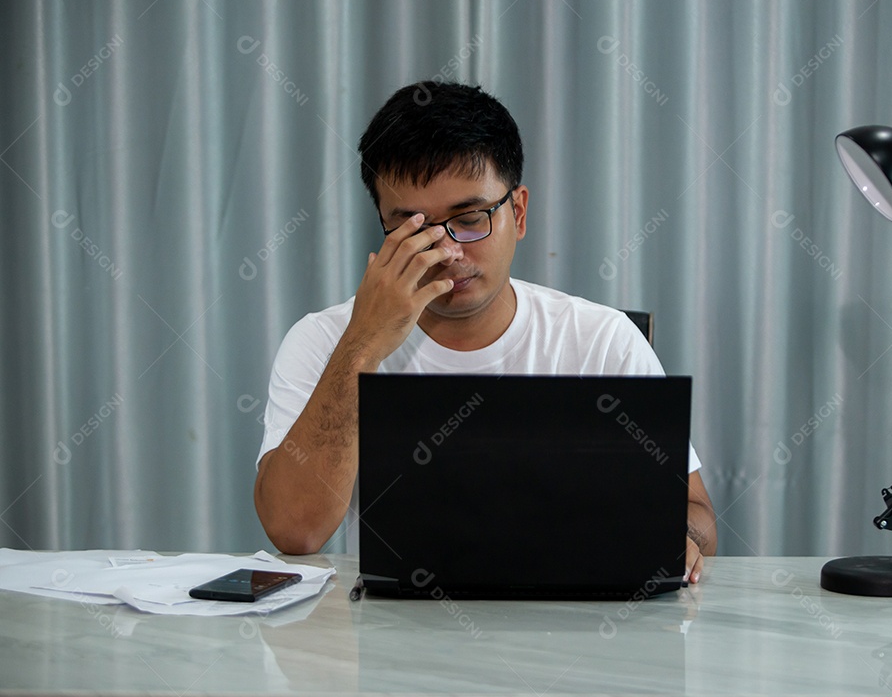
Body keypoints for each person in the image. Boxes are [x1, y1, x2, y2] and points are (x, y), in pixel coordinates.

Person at [254, 81, 717, 581]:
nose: (447, 252)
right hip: (388, 632)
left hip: (572, 631)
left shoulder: (601, 339)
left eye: (470, 219)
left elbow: (700, 518)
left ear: (517, 212)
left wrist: (678, 532)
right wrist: (363, 345)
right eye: (414, 228)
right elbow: (294, 532)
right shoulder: (326, 340)